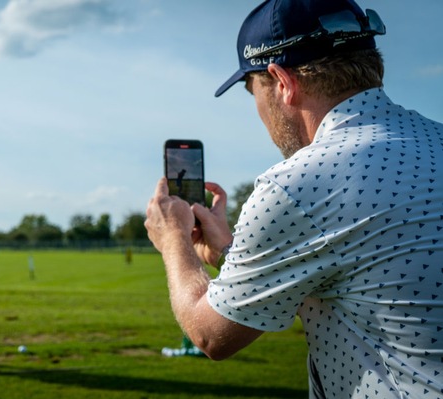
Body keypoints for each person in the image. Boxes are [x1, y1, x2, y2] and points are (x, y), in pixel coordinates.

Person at [144, 0, 443, 397]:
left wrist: (173, 241)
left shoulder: (297, 185)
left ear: (281, 81)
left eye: (254, 91)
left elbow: (211, 336)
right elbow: (352, 265)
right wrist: (228, 251)